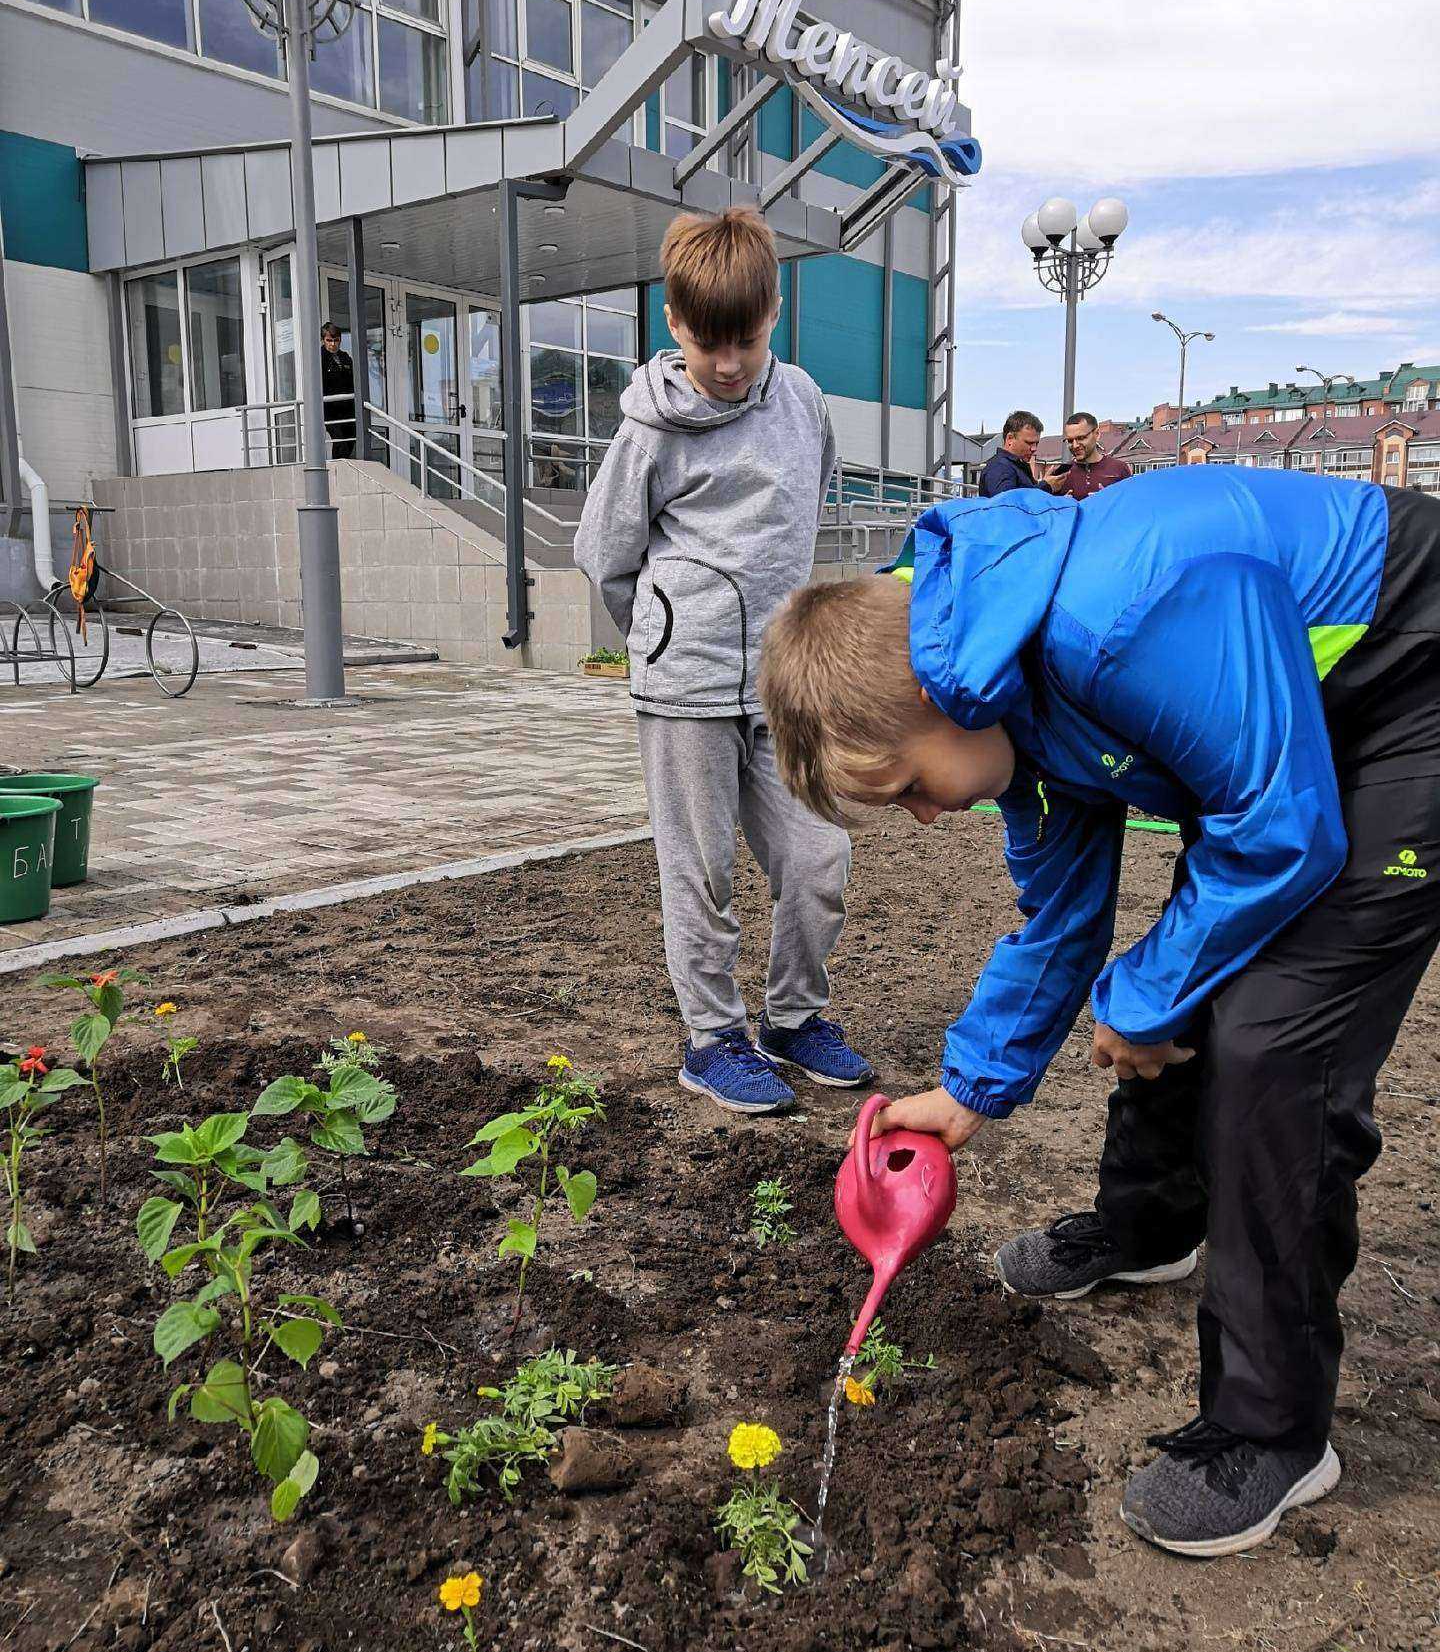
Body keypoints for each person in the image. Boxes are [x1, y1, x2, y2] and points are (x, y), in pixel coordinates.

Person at [758, 465, 1440, 1556]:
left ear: (940, 696)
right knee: (1183, 970)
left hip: (1408, 677)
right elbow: (1059, 922)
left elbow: (1282, 832)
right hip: (1278, 739)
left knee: (1271, 1039)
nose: (929, 818)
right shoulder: (1006, 697)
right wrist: (969, 1091)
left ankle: (1273, 1435)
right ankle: (1153, 1225)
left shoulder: (1114, 624)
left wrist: (1142, 1000)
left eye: (908, 789)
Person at [575, 205, 872, 1114]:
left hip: (777, 687)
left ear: (774, 315)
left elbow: (804, 509)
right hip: (685, 686)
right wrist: (663, 636)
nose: (729, 363)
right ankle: (712, 1038)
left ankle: (792, 1018)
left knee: (820, 857)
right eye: (709, 343)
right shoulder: (650, 430)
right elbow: (603, 551)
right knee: (699, 872)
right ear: (675, 326)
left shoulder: (804, 403)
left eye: (743, 339)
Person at [1045, 411, 1132, 498]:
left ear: (1097, 434)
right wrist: (1060, 503)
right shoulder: (1060, 475)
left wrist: (1107, 502)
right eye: (1070, 441)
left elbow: (1132, 505)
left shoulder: (1119, 469)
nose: (1075, 446)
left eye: (1081, 438)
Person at [977, 410, 1043, 496]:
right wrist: (1046, 487)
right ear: (1010, 438)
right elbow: (1007, 502)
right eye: (1029, 443)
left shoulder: (1016, 465)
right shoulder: (999, 467)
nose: (1034, 449)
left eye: (1036, 443)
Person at [320, 322, 356, 460]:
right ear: (323, 340)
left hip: (347, 408)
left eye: (336, 340)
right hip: (330, 410)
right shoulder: (319, 358)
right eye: (329, 340)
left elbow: (353, 380)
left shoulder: (345, 357)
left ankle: (342, 465)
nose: (333, 344)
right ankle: (338, 468)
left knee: (350, 439)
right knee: (339, 441)